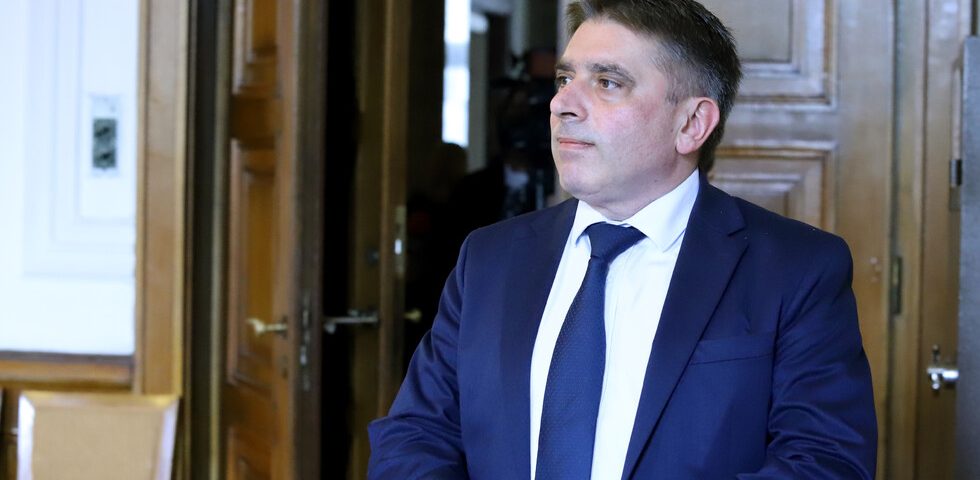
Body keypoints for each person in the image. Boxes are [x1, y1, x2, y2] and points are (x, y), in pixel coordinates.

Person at [368, 0, 878, 478]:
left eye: (608, 82)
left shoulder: (797, 268)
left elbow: (824, 461)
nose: (562, 103)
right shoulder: (489, 257)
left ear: (692, 123)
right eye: (565, 78)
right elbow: (417, 434)